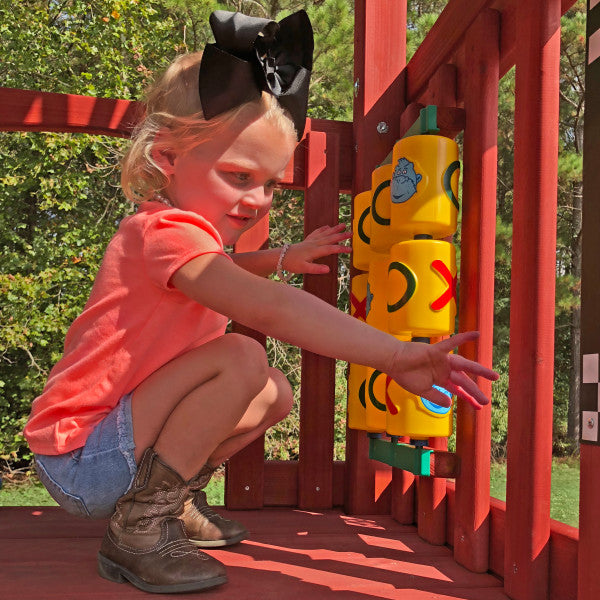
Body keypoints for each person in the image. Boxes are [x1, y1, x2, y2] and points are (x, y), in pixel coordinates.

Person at [24, 9, 498, 595]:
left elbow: (217, 274)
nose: (258, 198)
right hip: (81, 455)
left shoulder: (181, 243)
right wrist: (394, 355)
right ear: (167, 159)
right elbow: (267, 309)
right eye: (239, 176)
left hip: (116, 445)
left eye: (271, 184)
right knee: (242, 359)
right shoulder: (163, 233)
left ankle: (166, 502)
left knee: (274, 391)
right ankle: (140, 529)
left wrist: (279, 257)